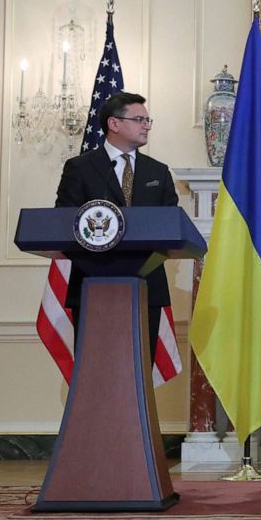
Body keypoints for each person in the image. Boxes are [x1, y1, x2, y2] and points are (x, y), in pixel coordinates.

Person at [55, 91, 178, 363]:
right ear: (114, 124)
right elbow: (64, 221)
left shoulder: (158, 172)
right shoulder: (80, 168)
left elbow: (172, 224)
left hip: (147, 287)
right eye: (139, 119)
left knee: (139, 372)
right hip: (93, 285)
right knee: (94, 370)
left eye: (148, 120)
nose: (147, 125)